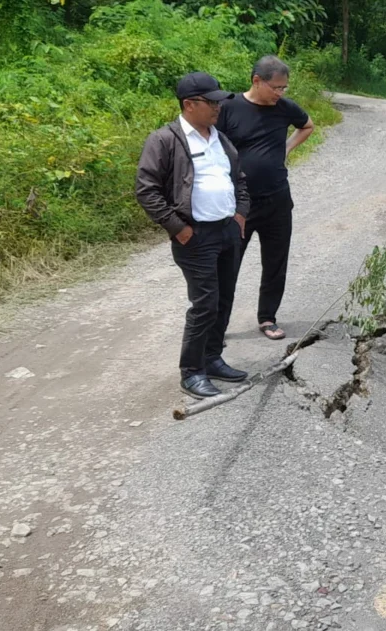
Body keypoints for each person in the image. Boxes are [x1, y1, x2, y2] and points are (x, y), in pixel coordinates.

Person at [136, 72, 251, 399]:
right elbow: (147, 190)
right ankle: (192, 372)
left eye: (219, 101)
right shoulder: (164, 140)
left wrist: (240, 214)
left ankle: (212, 358)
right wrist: (179, 228)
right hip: (195, 236)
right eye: (211, 102)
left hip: (227, 231)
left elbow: (239, 180)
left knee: (224, 299)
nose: (218, 107)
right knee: (205, 304)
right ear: (189, 104)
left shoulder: (220, 138)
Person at [217, 55, 315, 341]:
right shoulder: (229, 107)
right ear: (256, 80)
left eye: (285, 88)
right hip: (239, 204)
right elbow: (213, 143)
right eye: (277, 87)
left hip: (278, 200)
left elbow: (307, 125)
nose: (281, 93)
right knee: (228, 266)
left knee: (275, 262)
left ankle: (267, 317)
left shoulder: (284, 108)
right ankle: (217, 326)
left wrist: (285, 149)